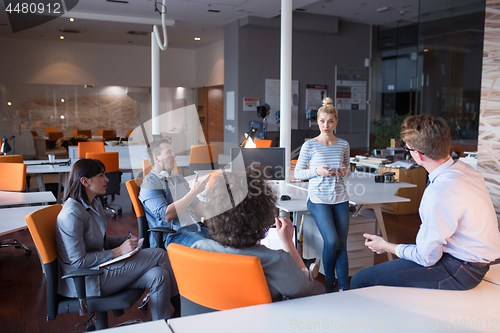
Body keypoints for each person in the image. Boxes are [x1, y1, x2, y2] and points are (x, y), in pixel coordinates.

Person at [351, 114, 500, 290]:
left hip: (461, 271)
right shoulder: (466, 170)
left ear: (418, 155)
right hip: (477, 261)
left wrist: (385, 245)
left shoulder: (439, 193)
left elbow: (426, 258)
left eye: (408, 150)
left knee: (360, 280)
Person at [55, 159, 179, 321]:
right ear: (85, 181)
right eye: (101, 175)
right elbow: (78, 262)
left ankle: (162, 325)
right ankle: (181, 311)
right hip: (88, 280)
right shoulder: (71, 214)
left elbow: (99, 242)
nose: (107, 179)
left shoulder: (94, 203)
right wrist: (118, 251)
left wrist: (123, 241)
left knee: (159, 274)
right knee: (159, 254)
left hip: (101, 269)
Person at [192, 165, 316, 301]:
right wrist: (288, 243)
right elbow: (307, 293)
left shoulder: (199, 249)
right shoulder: (278, 262)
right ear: (265, 216)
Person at [293, 97, 351, 293]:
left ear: (336, 121)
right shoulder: (310, 145)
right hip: (318, 200)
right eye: (322, 121)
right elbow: (298, 173)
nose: (326, 125)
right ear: (317, 121)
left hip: (340, 198)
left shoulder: (343, 144)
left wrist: (344, 171)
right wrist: (317, 171)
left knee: (342, 244)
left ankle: (344, 288)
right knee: (332, 240)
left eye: (330, 121)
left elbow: (348, 168)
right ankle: (328, 285)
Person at [139, 138, 210, 248]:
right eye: (169, 152)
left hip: (197, 228)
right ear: (156, 158)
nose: (174, 155)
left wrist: (222, 213)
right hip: (174, 235)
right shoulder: (149, 183)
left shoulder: (178, 178)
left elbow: (197, 206)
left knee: (234, 241)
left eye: (172, 151)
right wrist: (194, 191)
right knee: (214, 249)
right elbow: (167, 215)